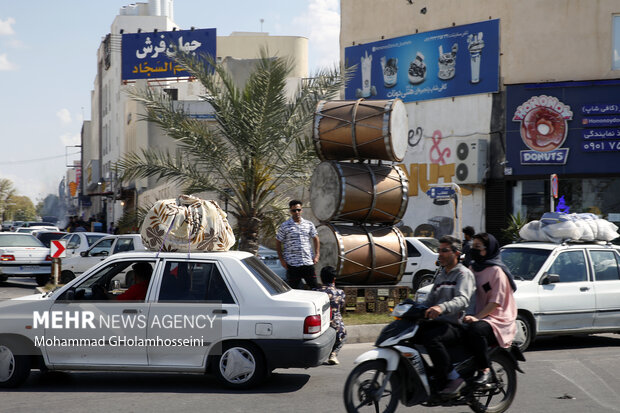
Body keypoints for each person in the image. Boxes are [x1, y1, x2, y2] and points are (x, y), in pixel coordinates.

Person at [414, 235, 475, 396]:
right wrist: (411, 308)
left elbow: (462, 300)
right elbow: (430, 300)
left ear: (456, 253)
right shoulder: (441, 275)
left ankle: (453, 378)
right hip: (439, 323)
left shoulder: (463, 274)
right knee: (411, 334)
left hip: (457, 324)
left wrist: (441, 308)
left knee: (432, 338)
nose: (440, 254)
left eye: (444, 251)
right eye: (439, 250)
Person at [463, 233, 517, 386]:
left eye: (477, 247)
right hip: (478, 314)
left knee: (476, 330)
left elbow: (495, 302)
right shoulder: (473, 267)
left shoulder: (496, 272)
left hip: (498, 319)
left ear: (489, 249)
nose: (473, 250)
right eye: (472, 246)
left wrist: (477, 317)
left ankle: (484, 369)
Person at [276, 200, 320, 289]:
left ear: (301, 210)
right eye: (294, 211)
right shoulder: (285, 226)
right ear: (290, 211)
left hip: (307, 262)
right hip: (292, 263)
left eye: (298, 210)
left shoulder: (309, 224)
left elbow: (316, 238)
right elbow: (278, 241)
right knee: (293, 290)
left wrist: (317, 255)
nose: (297, 212)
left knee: (315, 288)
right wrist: (282, 260)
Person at [314, 266, 347, 365]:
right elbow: (341, 305)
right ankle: (333, 354)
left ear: (321, 278)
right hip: (336, 327)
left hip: (319, 326)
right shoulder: (340, 293)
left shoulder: (315, 291)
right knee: (344, 334)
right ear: (334, 279)